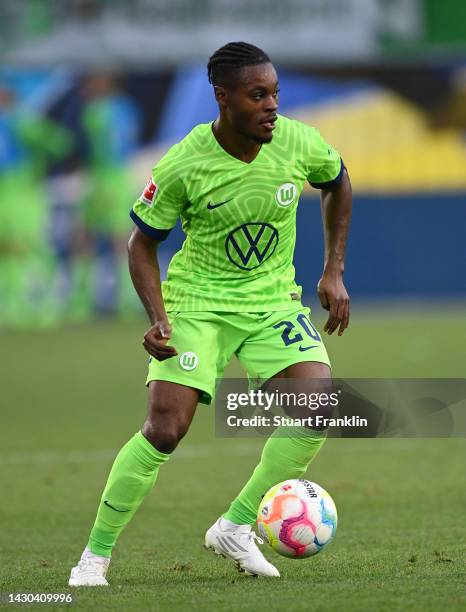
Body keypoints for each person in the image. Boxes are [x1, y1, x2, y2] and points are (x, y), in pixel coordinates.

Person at [69, 41, 352, 586]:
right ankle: (93, 558)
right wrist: (157, 316)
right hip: (199, 303)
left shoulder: (298, 141)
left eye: (274, 93)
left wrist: (333, 270)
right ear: (223, 99)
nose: (271, 105)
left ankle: (236, 524)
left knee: (317, 408)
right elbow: (140, 244)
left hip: (270, 301)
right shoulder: (184, 164)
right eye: (256, 95)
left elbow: (337, 181)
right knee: (166, 429)